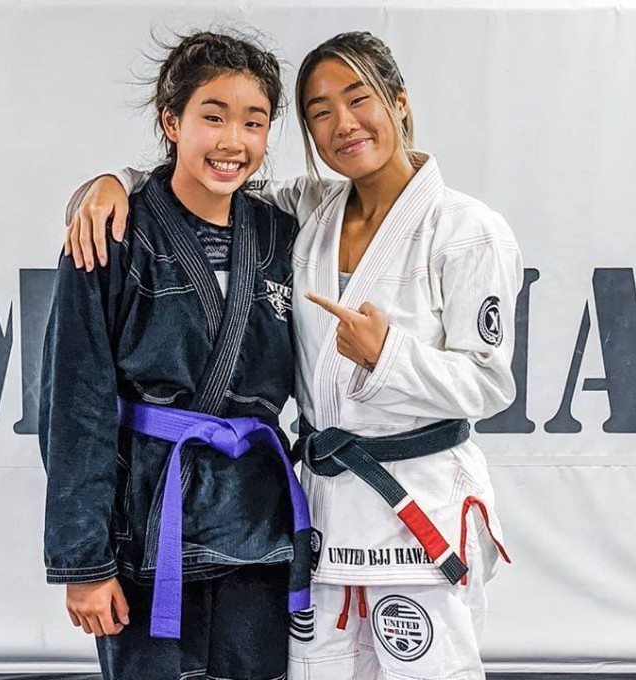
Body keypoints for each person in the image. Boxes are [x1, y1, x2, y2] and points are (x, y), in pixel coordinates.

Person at [66, 31, 523, 680]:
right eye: (319, 112)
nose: (343, 124)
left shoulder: (468, 230)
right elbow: (205, 179)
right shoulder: (310, 209)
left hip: (413, 503)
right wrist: (111, 183)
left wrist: (388, 355)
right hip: (323, 512)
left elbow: (491, 383)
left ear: (399, 101)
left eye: (359, 99)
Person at [38, 31, 312, 680]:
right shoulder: (114, 232)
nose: (232, 141)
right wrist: (84, 563)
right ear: (172, 121)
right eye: (212, 117)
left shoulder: (284, 237)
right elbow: (75, 404)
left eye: (253, 122)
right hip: (147, 526)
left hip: (257, 529)